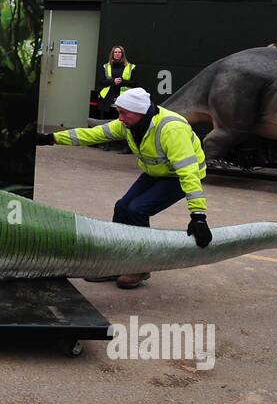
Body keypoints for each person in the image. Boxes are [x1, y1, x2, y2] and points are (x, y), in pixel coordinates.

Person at [37, 87, 211, 289]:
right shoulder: (128, 125)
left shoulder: (172, 129)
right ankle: (115, 263)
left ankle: (140, 266)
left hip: (178, 177)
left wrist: (198, 216)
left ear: (140, 112)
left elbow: (188, 173)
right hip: (155, 172)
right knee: (122, 207)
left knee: (138, 209)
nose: (119, 118)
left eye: (123, 113)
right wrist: (51, 138)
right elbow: (92, 134)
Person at [96, 45, 135, 114]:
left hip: (124, 98)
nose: (117, 53)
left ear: (122, 54)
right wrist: (113, 81)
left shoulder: (130, 66)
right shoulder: (106, 66)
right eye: (115, 52)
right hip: (107, 98)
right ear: (112, 54)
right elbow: (101, 81)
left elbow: (135, 83)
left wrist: (122, 82)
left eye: (119, 52)